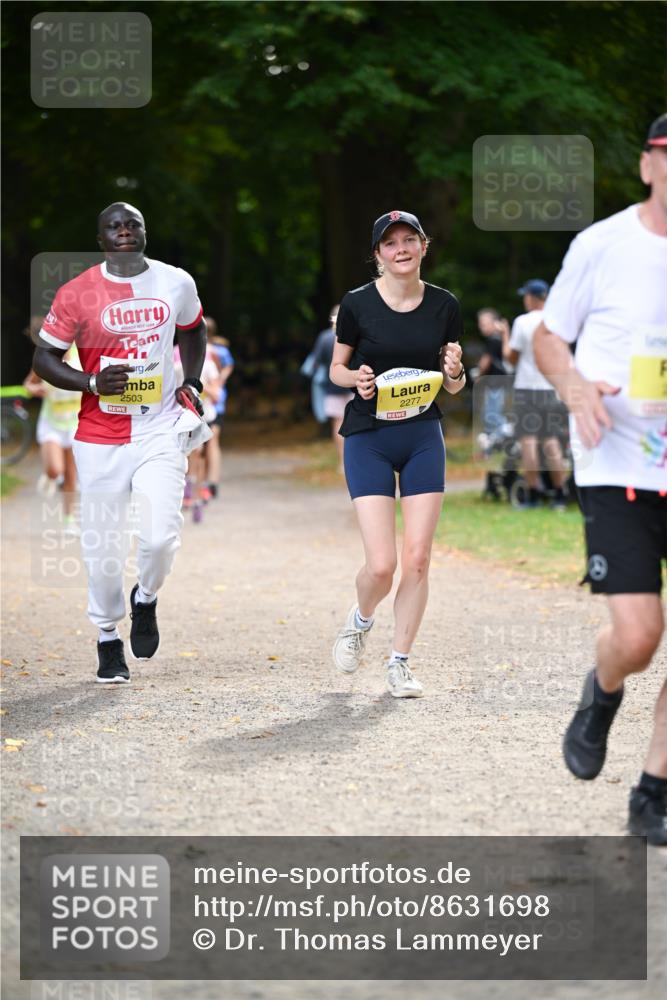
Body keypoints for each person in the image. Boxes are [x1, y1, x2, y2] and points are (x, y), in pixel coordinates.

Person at [533, 114, 667, 845]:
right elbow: (550, 336)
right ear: (647, 164)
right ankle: (603, 690)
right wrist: (577, 388)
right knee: (639, 634)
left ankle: (653, 789)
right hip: (617, 463)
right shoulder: (603, 245)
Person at [32, 202, 207, 685]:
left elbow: (194, 330)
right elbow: (44, 357)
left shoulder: (176, 281)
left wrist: (190, 380)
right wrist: (90, 382)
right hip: (100, 437)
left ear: (144, 232)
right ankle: (108, 636)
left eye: (133, 224)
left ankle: (145, 599)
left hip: (160, 428)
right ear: (102, 237)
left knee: (159, 538)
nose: (124, 231)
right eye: (115, 226)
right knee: (104, 550)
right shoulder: (76, 292)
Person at [330, 210, 465, 698]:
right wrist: (358, 378)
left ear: (424, 247)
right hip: (369, 436)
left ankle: (400, 662)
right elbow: (336, 370)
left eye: (410, 240)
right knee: (382, 565)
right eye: (390, 243)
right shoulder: (357, 304)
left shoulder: (445, 305)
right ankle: (361, 619)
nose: (401, 248)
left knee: (419, 558)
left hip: (422, 435)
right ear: (378, 255)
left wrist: (455, 371)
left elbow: (450, 382)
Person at [502, 279, 568, 510]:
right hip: (551, 388)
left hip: (526, 389)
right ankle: (560, 494)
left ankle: (533, 494)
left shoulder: (523, 322)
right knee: (551, 441)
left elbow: (512, 358)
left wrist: (505, 341)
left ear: (531, 297)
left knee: (528, 442)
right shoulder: (557, 321)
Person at [23, 317, 81, 533]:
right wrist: (34, 390)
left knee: (71, 476)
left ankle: (69, 520)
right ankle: (49, 476)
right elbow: (28, 384)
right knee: (56, 469)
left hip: (75, 422)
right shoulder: (45, 360)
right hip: (52, 422)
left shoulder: (79, 356)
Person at [309, 305, 354, 471]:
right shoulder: (354, 335)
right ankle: (354, 460)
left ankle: (342, 462)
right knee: (355, 423)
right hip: (353, 385)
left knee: (338, 424)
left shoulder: (324, 338)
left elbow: (316, 361)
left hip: (332, 387)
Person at [204, 316, 234, 498]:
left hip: (201, 402)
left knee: (198, 446)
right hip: (217, 402)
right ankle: (212, 482)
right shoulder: (221, 350)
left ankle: (197, 482)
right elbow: (229, 367)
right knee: (213, 442)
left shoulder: (189, 349)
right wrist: (219, 382)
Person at [476, 307, 510, 437]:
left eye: (483, 324)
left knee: (492, 413)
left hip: (495, 381)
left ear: (494, 323)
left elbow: (486, 361)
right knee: (491, 412)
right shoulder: (501, 339)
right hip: (500, 380)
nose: (481, 327)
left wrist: (478, 375)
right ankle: (495, 440)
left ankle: (508, 432)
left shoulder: (493, 339)